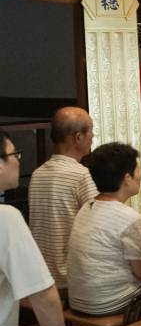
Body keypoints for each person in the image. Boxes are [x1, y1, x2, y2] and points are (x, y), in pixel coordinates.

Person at [0, 129, 96, 326]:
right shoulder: (6, 217)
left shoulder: (40, 174)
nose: (18, 162)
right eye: (15, 155)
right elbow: (43, 294)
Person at [66, 143, 141, 317]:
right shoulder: (128, 218)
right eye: (137, 171)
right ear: (127, 178)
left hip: (78, 299)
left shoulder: (86, 207)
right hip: (108, 302)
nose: (140, 176)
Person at [28, 107, 97, 292]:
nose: (93, 136)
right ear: (78, 137)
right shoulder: (81, 176)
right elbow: (98, 226)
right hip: (72, 277)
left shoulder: (38, 174)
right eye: (91, 130)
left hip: (42, 275)